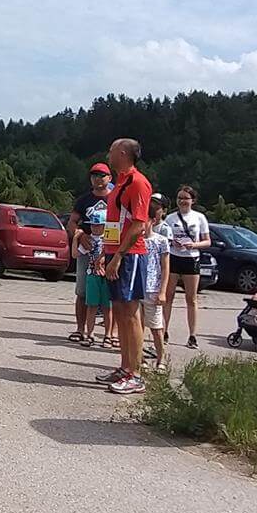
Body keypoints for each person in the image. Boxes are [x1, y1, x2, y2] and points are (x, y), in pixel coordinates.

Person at [98, 139, 155, 395]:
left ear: (122, 153)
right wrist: (104, 252)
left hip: (130, 255)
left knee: (131, 314)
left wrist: (119, 255)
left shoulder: (138, 183)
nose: (108, 154)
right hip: (114, 253)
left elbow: (138, 225)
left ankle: (136, 373)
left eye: (111, 150)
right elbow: (114, 222)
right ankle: (124, 367)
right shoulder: (119, 182)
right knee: (120, 313)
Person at [158, 184, 210, 349]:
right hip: (173, 257)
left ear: (192, 200)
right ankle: (164, 331)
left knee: (191, 299)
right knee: (168, 296)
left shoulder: (199, 217)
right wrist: (172, 242)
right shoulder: (171, 218)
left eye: (186, 198)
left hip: (191, 259)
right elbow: (162, 238)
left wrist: (194, 245)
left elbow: (207, 241)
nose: (182, 201)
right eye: (180, 198)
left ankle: (192, 335)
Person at [67, 164, 113, 343]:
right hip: (88, 248)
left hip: (109, 249)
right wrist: (80, 235)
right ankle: (81, 328)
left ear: (109, 178)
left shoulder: (115, 199)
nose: (97, 178)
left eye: (102, 175)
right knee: (82, 291)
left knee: (111, 294)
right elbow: (72, 222)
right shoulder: (84, 200)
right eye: (94, 175)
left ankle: (112, 333)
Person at [75, 209, 110, 344]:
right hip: (92, 275)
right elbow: (76, 254)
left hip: (106, 275)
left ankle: (108, 335)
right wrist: (76, 239)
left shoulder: (109, 239)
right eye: (93, 225)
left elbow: (112, 251)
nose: (94, 227)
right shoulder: (89, 239)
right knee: (92, 306)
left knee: (108, 308)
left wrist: (102, 258)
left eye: (98, 225)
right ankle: (89, 333)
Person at [142, 196, 167, 364]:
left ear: (151, 220)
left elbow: (165, 267)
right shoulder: (134, 240)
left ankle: (161, 359)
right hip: (136, 288)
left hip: (153, 289)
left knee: (156, 327)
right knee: (137, 326)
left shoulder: (160, 241)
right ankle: (139, 357)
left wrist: (163, 291)